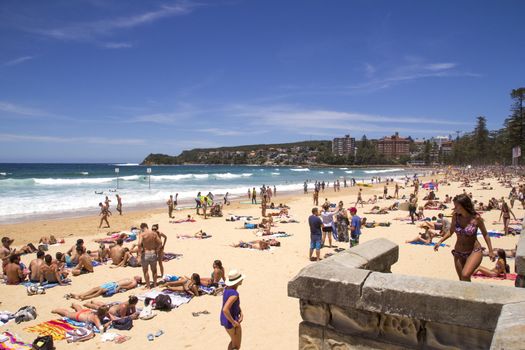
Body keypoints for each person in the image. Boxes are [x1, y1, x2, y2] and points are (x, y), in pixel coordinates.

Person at [434, 194, 495, 282]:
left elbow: (485, 234)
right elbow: (451, 231)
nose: (454, 208)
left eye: (456, 206)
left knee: (465, 275)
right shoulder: (456, 216)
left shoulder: (476, 218)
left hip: (474, 251)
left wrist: (491, 251)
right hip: (458, 252)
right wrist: (440, 241)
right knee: (463, 281)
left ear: (464, 206)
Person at [221, 269, 244, 350]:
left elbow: (232, 304)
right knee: (236, 346)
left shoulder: (227, 289)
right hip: (231, 321)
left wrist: (240, 312)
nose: (242, 279)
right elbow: (225, 309)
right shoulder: (234, 294)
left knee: (233, 341)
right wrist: (233, 322)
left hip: (225, 319)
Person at [67, 276, 143, 301]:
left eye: (139, 277)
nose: (137, 275)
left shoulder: (134, 282)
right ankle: (80, 295)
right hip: (112, 284)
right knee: (95, 289)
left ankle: (86, 297)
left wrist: (120, 287)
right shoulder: (132, 279)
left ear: (138, 280)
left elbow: (128, 287)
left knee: (100, 291)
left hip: (115, 286)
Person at [137, 223, 162, 289]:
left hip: (146, 253)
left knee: (145, 270)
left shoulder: (142, 234)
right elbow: (160, 243)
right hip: (153, 253)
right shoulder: (154, 233)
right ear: (147, 226)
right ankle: (155, 285)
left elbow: (139, 244)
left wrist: (139, 255)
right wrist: (157, 250)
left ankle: (148, 286)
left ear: (142, 228)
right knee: (154, 270)